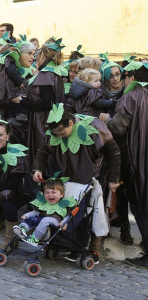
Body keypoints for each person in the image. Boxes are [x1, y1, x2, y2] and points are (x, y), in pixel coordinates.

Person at [32, 103, 121, 263]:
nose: (58, 136)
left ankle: (92, 249)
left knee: (90, 213)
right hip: (64, 181)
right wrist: (37, 169)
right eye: (55, 134)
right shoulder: (54, 131)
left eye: (62, 132)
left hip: (89, 180)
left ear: (71, 123)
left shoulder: (94, 126)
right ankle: (66, 243)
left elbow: (113, 151)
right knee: (63, 211)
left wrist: (114, 179)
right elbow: (43, 151)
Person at [100, 61, 148, 267]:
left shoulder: (131, 97)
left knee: (140, 204)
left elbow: (118, 129)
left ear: (131, 78)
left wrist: (107, 119)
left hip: (138, 160)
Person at [0, 120, 32, 245]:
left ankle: (11, 240)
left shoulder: (17, 154)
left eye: (0, 134)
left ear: (8, 135)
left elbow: (13, 185)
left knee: (8, 202)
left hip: (14, 193)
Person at [15, 41, 66, 166]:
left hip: (42, 122)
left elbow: (46, 103)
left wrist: (22, 101)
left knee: (42, 155)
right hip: (51, 119)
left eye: (37, 54)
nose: (36, 57)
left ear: (43, 55)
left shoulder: (45, 74)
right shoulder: (55, 72)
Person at [13, 177, 76, 245]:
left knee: (45, 220)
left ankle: (35, 238)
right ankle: (22, 229)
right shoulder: (45, 203)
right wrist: (26, 215)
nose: (50, 195)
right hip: (41, 220)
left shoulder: (63, 204)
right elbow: (36, 212)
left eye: (53, 192)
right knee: (32, 219)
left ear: (61, 195)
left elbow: (68, 215)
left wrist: (63, 223)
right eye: (47, 192)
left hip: (54, 222)